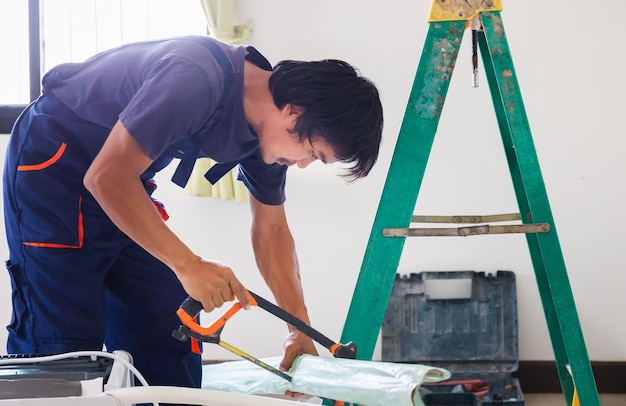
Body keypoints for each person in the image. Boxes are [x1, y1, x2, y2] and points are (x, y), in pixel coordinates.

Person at [3, 35, 383, 390]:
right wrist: (189, 264)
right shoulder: (196, 77)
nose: (302, 165)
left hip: (121, 183)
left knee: (169, 322)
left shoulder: (267, 135)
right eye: (312, 153)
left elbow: (271, 231)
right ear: (294, 111)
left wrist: (297, 326)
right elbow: (106, 176)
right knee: (62, 346)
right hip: (55, 170)